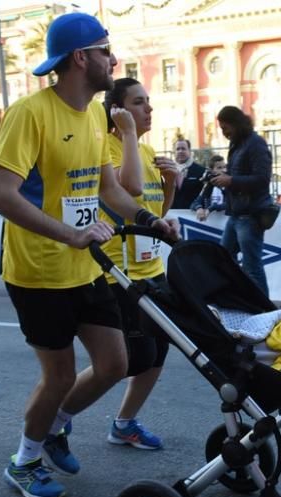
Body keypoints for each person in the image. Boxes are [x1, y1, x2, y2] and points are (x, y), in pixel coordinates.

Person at [0, 12, 178, 497]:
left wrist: (149, 219)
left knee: (116, 362)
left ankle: (55, 427)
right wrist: (67, 236)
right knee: (61, 375)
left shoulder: (96, 116)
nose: (112, 59)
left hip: (84, 266)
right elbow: (1, 196)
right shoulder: (30, 113)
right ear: (80, 58)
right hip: (37, 272)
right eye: (104, 49)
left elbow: (109, 189)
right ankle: (24, 460)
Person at [99, 77, 178, 451]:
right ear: (117, 112)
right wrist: (127, 134)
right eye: (138, 102)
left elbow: (152, 215)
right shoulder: (108, 148)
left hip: (151, 269)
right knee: (128, 360)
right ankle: (56, 413)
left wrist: (172, 184)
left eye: (148, 102)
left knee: (158, 353)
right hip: (119, 272)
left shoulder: (147, 153)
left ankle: (124, 423)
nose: (148, 109)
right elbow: (126, 191)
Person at [211, 105, 273, 296]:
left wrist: (230, 180)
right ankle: (242, 298)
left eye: (224, 128)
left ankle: (266, 312)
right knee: (225, 259)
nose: (224, 133)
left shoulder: (255, 144)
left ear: (235, 124)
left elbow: (262, 179)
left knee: (252, 265)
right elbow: (240, 174)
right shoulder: (239, 144)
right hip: (238, 213)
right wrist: (225, 177)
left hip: (250, 214)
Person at [170, 138, 205, 210]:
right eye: (178, 149)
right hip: (171, 214)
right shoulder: (168, 170)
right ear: (174, 152)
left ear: (189, 150)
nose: (180, 151)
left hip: (193, 215)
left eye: (183, 149)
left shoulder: (201, 171)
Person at [190, 155, 227, 221]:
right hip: (211, 227)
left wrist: (211, 209)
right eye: (219, 168)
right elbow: (195, 203)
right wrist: (199, 208)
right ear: (211, 171)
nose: (224, 170)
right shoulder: (209, 186)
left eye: (225, 167)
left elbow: (230, 204)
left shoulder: (229, 184)